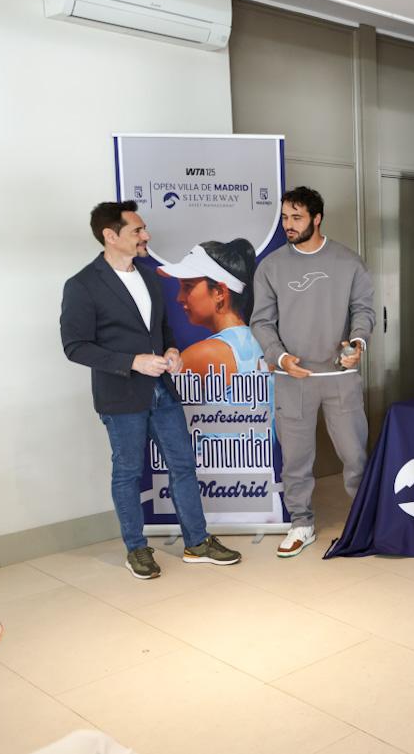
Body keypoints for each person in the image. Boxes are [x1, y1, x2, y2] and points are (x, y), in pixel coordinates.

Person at [60, 201, 241, 579]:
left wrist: (172, 351)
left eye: (144, 229)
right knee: (128, 473)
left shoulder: (149, 276)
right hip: (121, 394)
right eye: (137, 231)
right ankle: (136, 549)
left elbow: (161, 331)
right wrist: (133, 362)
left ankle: (198, 542)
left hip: (162, 390)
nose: (147, 236)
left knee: (183, 466)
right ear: (110, 236)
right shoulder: (82, 285)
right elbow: (75, 346)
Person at [251, 186, 375, 557]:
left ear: (316, 219)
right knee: (296, 459)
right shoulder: (271, 266)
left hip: (339, 377)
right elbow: (261, 322)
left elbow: (363, 312)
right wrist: (279, 356)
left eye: (297, 218)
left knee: (355, 456)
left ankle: (364, 521)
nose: (288, 225)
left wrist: (358, 345)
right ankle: (301, 523)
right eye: (285, 217)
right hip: (293, 378)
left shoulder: (348, 262)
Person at [159, 239, 265, 378]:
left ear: (219, 292)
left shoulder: (204, 354)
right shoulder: (267, 342)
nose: (179, 297)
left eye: (188, 286)